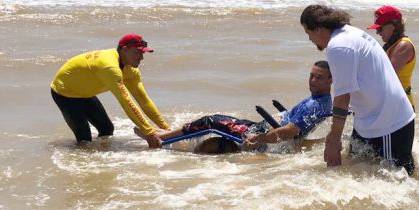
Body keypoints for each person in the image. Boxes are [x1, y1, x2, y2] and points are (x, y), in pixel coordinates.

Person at [300, 3, 416, 173]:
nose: (309, 39)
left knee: (396, 182)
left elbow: (342, 98)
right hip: (367, 122)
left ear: (318, 29)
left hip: (389, 124)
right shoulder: (349, 33)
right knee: (352, 171)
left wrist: (334, 139)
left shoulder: (338, 46)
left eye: (308, 33)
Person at [143, 60, 334, 153]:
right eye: (311, 75)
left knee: (211, 121)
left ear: (331, 81)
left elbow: (287, 133)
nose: (313, 81)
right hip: (264, 128)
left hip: (261, 132)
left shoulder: (314, 105)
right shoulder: (325, 101)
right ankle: (169, 139)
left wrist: (259, 139)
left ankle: (161, 139)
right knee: (225, 130)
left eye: (319, 77)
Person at [50, 34, 166, 143]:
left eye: (143, 53)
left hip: (85, 93)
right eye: (138, 53)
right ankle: (82, 161)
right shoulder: (110, 67)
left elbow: (144, 101)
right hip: (65, 93)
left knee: (106, 129)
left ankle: (102, 156)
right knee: (84, 138)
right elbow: (126, 102)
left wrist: (165, 128)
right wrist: (150, 133)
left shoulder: (131, 71)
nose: (141, 58)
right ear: (124, 49)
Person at [372, 5, 419, 97]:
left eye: (380, 28)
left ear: (393, 25)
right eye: (377, 29)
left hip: (403, 107)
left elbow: (385, 78)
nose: (378, 33)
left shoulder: (403, 46)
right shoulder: (392, 45)